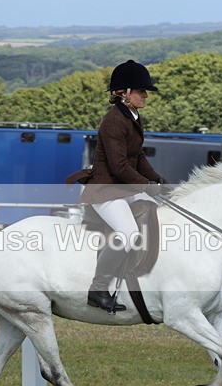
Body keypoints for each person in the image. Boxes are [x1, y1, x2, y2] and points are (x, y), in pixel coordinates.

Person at [66, 60, 167, 312]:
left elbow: (138, 156)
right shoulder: (113, 121)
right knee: (129, 234)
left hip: (122, 189)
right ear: (123, 92)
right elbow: (119, 165)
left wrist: (157, 179)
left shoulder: (132, 116)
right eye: (141, 91)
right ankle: (98, 289)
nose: (145, 95)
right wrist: (146, 185)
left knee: (155, 210)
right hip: (105, 191)